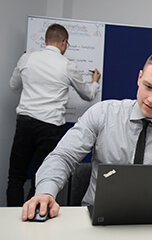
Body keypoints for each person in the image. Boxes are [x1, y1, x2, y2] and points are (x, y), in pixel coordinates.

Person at [21, 49, 152, 221]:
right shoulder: (103, 114)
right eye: (148, 86)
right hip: (96, 223)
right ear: (139, 77)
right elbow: (63, 157)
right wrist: (45, 192)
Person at [7, 23, 101, 206]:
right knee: (42, 177)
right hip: (50, 127)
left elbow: (13, 86)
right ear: (64, 42)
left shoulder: (27, 59)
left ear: (45, 41)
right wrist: (95, 82)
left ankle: (12, 217)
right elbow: (88, 95)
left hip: (25, 124)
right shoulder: (67, 66)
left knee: (16, 177)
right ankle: (33, 215)